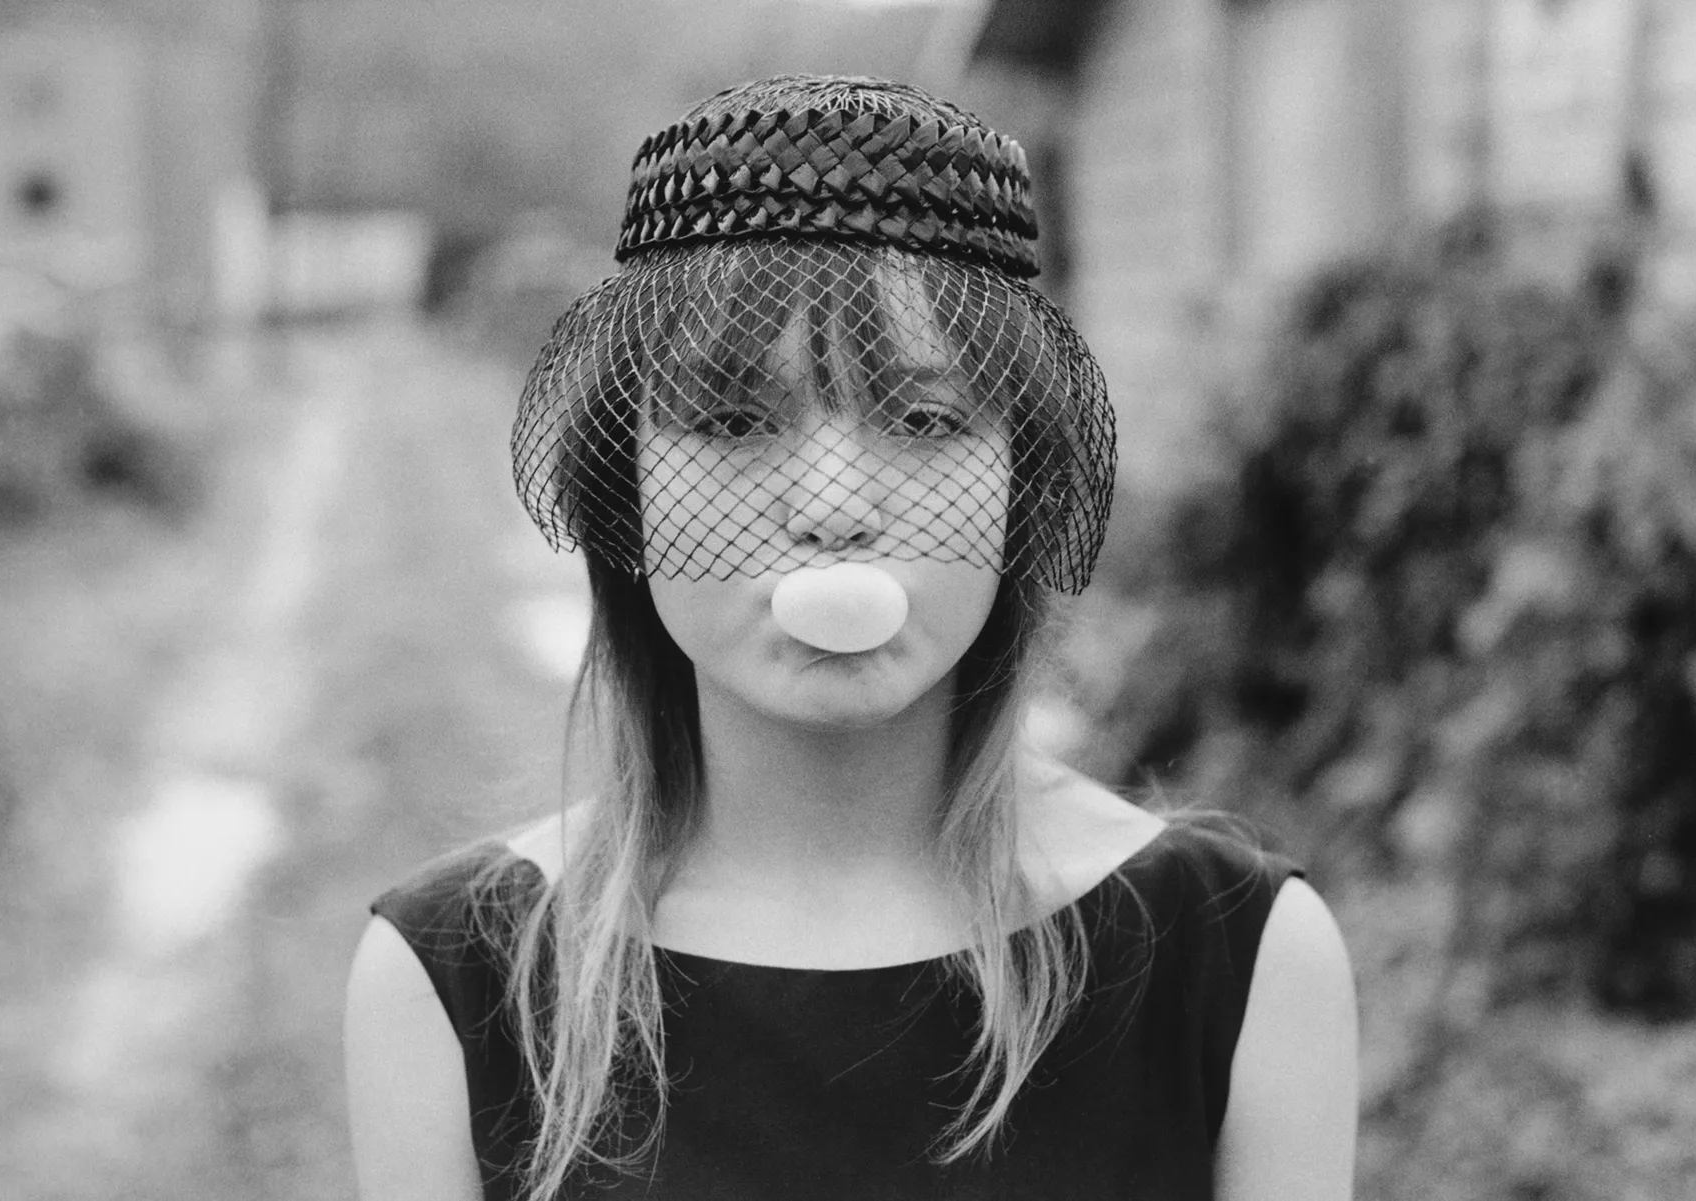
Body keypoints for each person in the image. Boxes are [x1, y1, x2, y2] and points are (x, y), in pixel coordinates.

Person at [345, 75, 1357, 1201]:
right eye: (732, 420)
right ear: (621, 497)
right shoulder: (457, 976)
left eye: (924, 420)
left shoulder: (1230, 956)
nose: (832, 501)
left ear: (1024, 488)